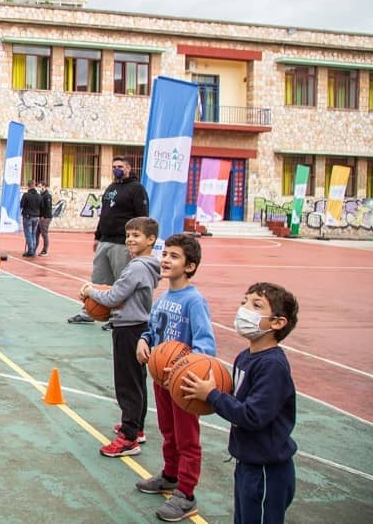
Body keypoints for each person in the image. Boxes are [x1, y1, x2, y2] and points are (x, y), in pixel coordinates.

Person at [181, 282, 299, 524]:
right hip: (247, 462)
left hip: (268, 469)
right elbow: (235, 402)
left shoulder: (272, 366)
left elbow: (254, 416)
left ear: (277, 322)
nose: (244, 309)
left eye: (256, 305)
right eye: (244, 302)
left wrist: (212, 395)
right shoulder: (245, 357)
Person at [134, 233, 215, 522]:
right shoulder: (163, 296)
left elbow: (206, 346)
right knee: (168, 432)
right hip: (160, 379)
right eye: (164, 254)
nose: (165, 259)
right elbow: (153, 329)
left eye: (174, 256)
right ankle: (169, 475)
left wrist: (182, 366)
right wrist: (144, 340)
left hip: (183, 384)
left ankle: (186, 494)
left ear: (190, 266)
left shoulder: (194, 301)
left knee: (187, 439)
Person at [81, 217, 160, 456]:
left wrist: (89, 291)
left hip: (129, 329)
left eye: (136, 235)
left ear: (151, 239)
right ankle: (138, 427)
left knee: (127, 384)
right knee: (137, 381)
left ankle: (128, 437)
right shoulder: (148, 264)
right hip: (139, 327)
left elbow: (113, 297)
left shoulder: (136, 267)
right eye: (128, 235)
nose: (130, 239)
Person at [68, 156, 148, 329]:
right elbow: (104, 213)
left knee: (121, 281)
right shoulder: (111, 188)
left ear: (128, 168)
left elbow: (142, 218)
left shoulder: (137, 189)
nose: (116, 169)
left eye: (119, 166)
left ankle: (118, 318)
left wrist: (136, 243)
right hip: (105, 240)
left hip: (122, 243)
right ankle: (88, 312)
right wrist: (98, 236)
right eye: (113, 166)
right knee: (98, 279)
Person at [19, 180, 42, 257]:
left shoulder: (26, 195)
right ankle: (33, 250)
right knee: (33, 233)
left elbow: (21, 205)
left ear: (28, 186)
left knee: (28, 234)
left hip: (28, 216)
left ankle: (31, 251)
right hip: (36, 217)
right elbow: (41, 207)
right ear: (34, 185)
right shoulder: (39, 196)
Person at [35, 180, 53, 256]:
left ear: (44, 186)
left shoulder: (47, 196)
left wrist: (44, 216)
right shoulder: (41, 195)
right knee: (37, 233)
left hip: (46, 218)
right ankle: (34, 248)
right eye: (38, 186)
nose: (39, 188)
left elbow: (48, 208)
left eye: (40, 186)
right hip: (41, 217)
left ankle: (45, 251)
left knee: (44, 234)